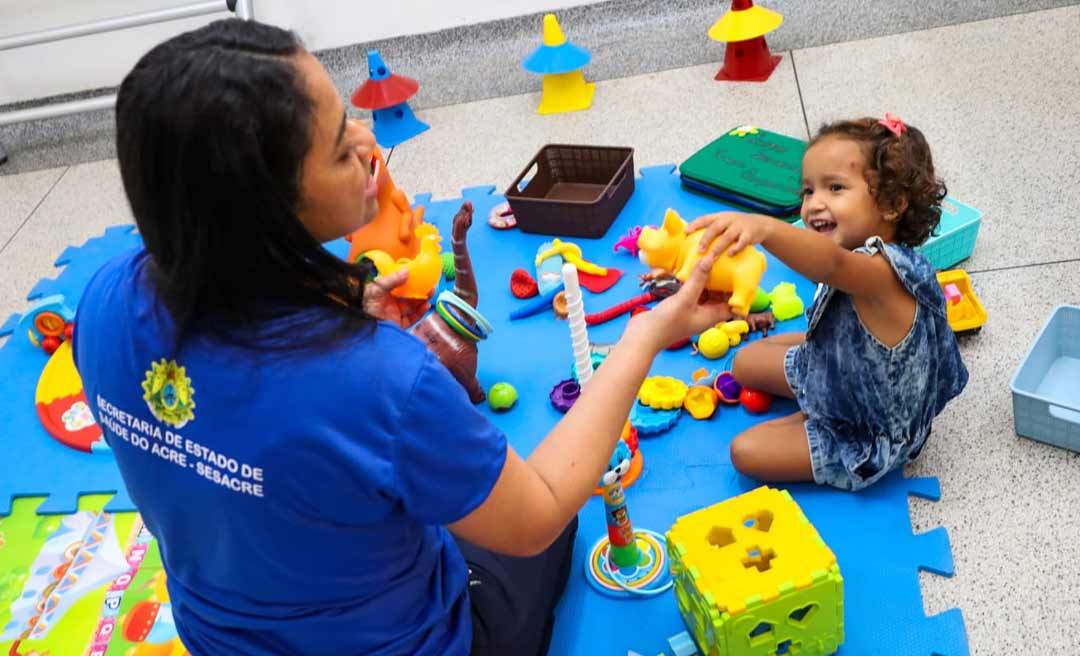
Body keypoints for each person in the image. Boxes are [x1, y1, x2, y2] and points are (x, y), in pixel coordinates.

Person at [72, 19, 732, 656]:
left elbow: (237, 418)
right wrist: (647, 333)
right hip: (409, 641)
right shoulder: (383, 379)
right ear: (271, 210)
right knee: (555, 525)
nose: (367, 143)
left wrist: (331, 302)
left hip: (220, 635)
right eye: (338, 146)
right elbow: (538, 516)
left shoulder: (103, 299)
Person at [687, 115, 969, 491]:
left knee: (745, 451)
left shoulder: (882, 272)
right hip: (838, 373)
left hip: (868, 430)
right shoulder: (852, 252)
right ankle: (814, 405)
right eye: (807, 191)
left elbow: (831, 265)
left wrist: (767, 227)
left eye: (835, 188)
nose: (814, 204)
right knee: (742, 363)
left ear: (891, 204)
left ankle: (813, 416)